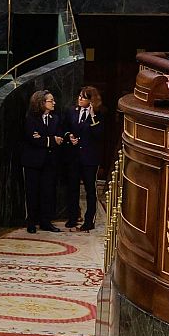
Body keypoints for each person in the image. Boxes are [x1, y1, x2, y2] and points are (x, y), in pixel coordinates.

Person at [61, 86, 103, 232]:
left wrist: (92, 116)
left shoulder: (98, 115)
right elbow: (65, 128)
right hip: (73, 157)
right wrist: (69, 136)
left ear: (91, 101)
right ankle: (72, 217)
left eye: (84, 97)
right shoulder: (72, 111)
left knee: (90, 190)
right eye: (79, 96)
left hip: (89, 159)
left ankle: (89, 220)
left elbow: (98, 134)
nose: (80, 99)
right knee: (72, 188)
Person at [22, 90, 63, 234]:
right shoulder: (31, 119)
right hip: (33, 162)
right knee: (32, 192)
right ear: (41, 102)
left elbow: (59, 138)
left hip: (49, 162)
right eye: (51, 101)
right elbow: (33, 139)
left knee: (47, 192)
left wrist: (44, 138)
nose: (54, 103)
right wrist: (50, 140)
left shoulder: (55, 118)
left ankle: (46, 222)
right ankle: (31, 222)